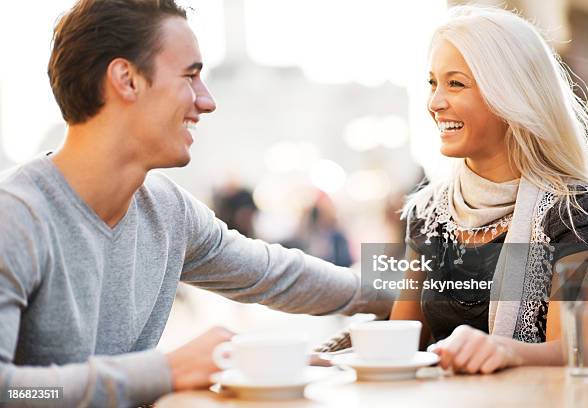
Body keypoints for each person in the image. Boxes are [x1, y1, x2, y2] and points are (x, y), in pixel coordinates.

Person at [0, 1, 392, 406]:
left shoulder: (167, 210)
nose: (207, 102)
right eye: (190, 77)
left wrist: (427, 285)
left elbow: (276, 272)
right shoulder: (14, 218)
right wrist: (166, 372)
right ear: (126, 79)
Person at [390, 5, 588, 374]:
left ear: (509, 94)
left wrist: (508, 351)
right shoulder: (426, 213)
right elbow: (400, 342)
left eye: (455, 83)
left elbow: (585, 349)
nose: (434, 103)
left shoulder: (578, 212)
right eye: (433, 83)